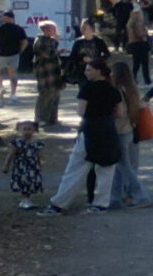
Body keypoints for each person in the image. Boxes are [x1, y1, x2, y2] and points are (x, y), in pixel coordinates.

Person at [49, 53, 123, 211]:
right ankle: (101, 203)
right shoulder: (112, 90)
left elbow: (81, 112)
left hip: (91, 129)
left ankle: (59, 202)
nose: (85, 72)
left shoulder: (87, 88)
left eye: (89, 70)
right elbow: (120, 113)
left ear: (98, 71)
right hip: (108, 129)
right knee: (106, 167)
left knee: (76, 168)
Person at [110, 54, 152, 206]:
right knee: (125, 166)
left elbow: (119, 114)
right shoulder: (132, 90)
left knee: (123, 166)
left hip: (121, 130)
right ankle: (117, 197)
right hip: (131, 129)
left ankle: (138, 194)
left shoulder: (118, 91)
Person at [32, 21, 65, 131]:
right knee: (45, 95)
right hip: (45, 73)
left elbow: (53, 53)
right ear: (46, 30)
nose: (55, 31)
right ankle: (40, 118)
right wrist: (56, 42)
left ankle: (52, 118)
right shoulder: (41, 41)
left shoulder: (49, 41)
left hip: (54, 73)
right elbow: (47, 54)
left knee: (55, 94)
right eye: (53, 29)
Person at [4, 119, 45, 209]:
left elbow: (38, 155)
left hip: (32, 166)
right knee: (24, 182)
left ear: (34, 130)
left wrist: (39, 164)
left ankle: (27, 199)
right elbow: (11, 155)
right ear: (20, 130)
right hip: (21, 166)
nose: (27, 132)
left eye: (29, 129)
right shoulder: (18, 143)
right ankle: (25, 199)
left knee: (31, 182)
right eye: (24, 129)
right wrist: (6, 166)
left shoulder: (36, 144)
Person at [0, 13, 27, 101]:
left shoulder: (0, 29)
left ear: (9, 18)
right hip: (14, 54)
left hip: (1, 54)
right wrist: (20, 51)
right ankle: (13, 94)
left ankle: (0, 89)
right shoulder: (19, 29)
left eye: (4, 18)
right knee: (13, 74)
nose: (3, 19)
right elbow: (24, 42)